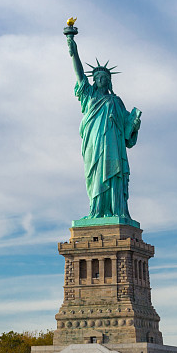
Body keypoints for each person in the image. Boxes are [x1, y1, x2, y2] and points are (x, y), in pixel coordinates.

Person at [66, 30, 141, 219]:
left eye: (104, 78)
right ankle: (97, 210)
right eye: (98, 77)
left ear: (109, 81)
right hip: (94, 144)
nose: (101, 80)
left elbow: (127, 133)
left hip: (114, 147)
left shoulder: (116, 101)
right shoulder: (89, 96)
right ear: (94, 80)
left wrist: (134, 124)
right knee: (96, 177)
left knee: (114, 175)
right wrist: (72, 45)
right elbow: (79, 73)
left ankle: (117, 211)